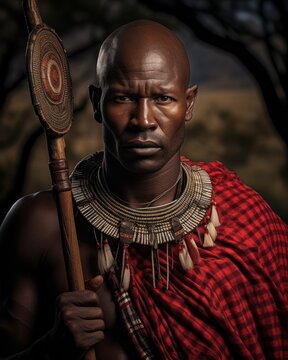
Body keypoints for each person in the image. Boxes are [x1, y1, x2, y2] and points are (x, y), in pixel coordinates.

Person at [0, 19, 287, 360]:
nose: (144, 119)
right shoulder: (42, 225)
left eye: (163, 98)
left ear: (189, 103)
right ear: (96, 102)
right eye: (122, 97)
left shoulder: (242, 219)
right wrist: (52, 349)